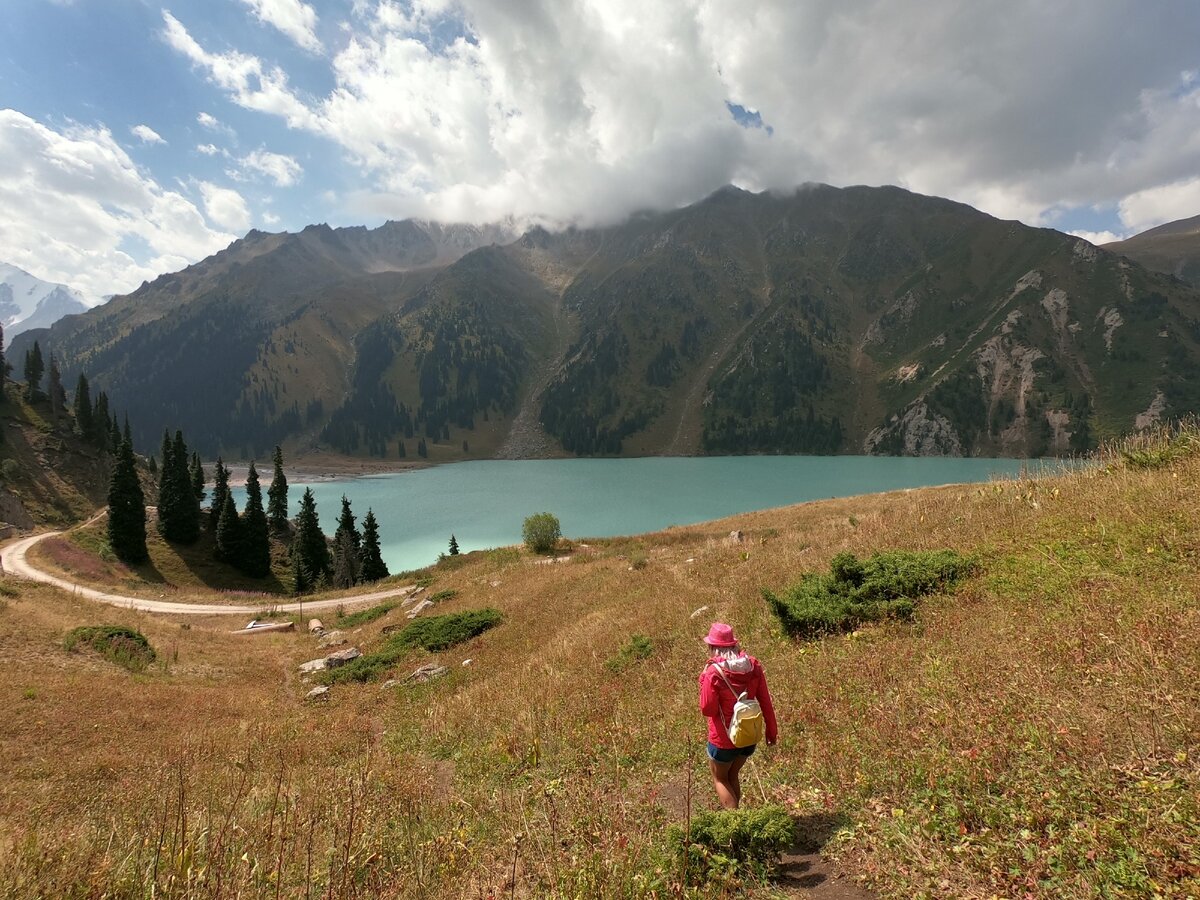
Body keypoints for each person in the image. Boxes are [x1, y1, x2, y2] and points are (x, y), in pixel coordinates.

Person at [698, 622, 778, 810]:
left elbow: (707, 710)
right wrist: (771, 730)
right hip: (748, 736)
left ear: (712, 647)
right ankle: (738, 814)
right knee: (732, 776)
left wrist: (703, 680)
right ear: (734, 645)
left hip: (723, 740)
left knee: (720, 779)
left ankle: (737, 824)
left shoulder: (713, 673)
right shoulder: (753, 665)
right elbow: (766, 701)